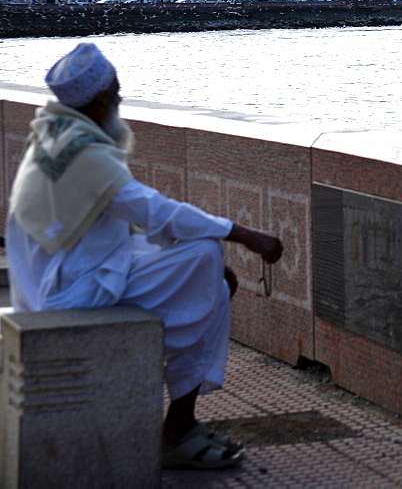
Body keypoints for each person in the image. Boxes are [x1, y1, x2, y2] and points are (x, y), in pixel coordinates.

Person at [5, 42, 282, 470]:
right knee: (208, 256)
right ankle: (178, 430)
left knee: (210, 277)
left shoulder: (54, 134)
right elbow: (152, 211)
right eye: (116, 95)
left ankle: (182, 423)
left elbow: (116, 226)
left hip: (61, 276)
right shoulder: (85, 155)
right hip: (65, 293)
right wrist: (244, 234)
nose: (120, 102)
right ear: (98, 102)